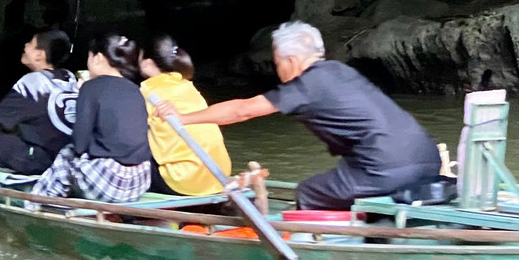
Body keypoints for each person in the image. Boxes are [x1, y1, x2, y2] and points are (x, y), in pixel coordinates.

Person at [154, 21, 441, 210]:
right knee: (341, 186)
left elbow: (242, 110)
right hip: (428, 160)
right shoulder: (341, 71)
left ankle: (316, 250)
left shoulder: (304, 87)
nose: (278, 71)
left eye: (278, 63)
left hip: (384, 168)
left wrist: (183, 118)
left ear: (291, 61)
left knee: (309, 192)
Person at [31, 34, 151, 203]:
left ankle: (37, 202)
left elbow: (80, 145)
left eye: (89, 56)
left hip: (109, 184)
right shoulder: (135, 89)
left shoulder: (90, 87)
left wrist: (83, 95)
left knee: (67, 153)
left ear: (98, 58)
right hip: (140, 181)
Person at [0, 29, 78, 175]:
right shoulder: (70, 78)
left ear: (39, 55)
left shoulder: (32, 83)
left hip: (41, 160)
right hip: (67, 158)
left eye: (30, 43)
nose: (25, 46)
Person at [137, 35, 232, 195]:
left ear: (147, 63)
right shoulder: (188, 86)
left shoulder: (147, 91)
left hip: (183, 181)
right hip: (218, 176)